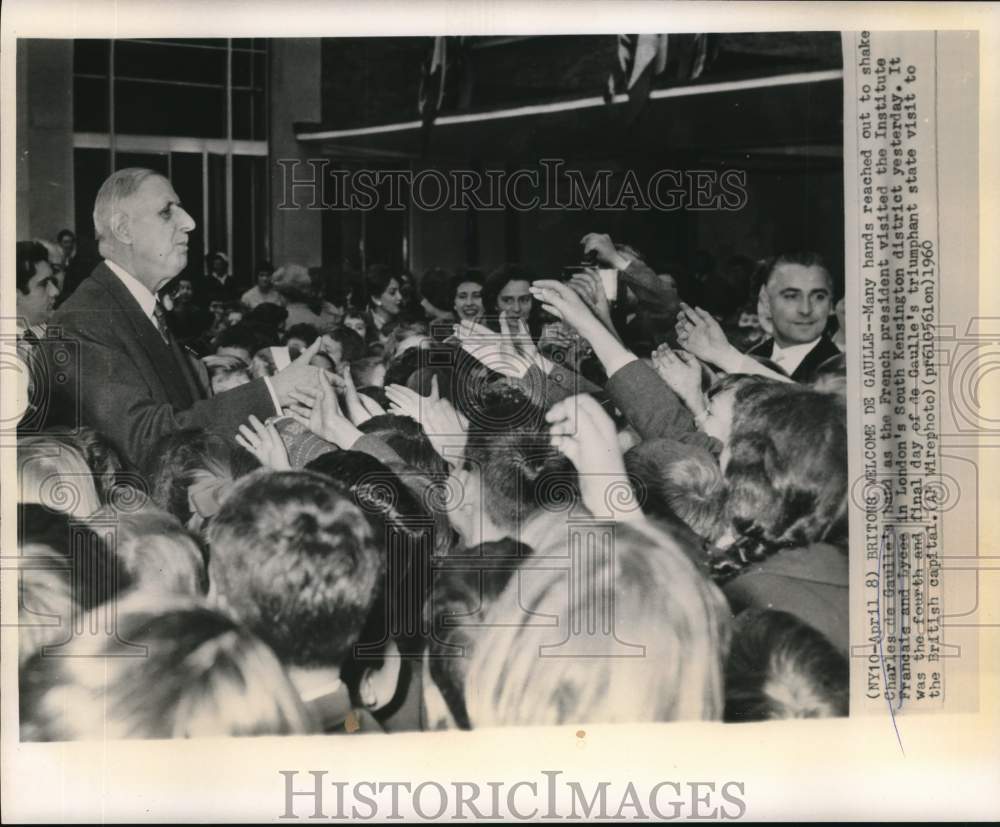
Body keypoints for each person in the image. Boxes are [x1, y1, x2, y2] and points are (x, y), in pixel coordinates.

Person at [43, 168, 324, 476]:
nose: (189, 222)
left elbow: (182, 415)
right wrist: (271, 393)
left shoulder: (140, 308)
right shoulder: (83, 320)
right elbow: (143, 441)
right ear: (123, 229)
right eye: (167, 212)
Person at [744, 252, 841, 383]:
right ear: (766, 302)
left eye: (819, 297)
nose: (806, 310)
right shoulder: (753, 356)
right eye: (791, 296)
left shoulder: (840, 372)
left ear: (831, 305)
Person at [363, 265, 404, 344]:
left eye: (400, 291)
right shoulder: (362, 323)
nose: (400, 297)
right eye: (392, 292)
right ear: (376, 298)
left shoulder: (404, 324)